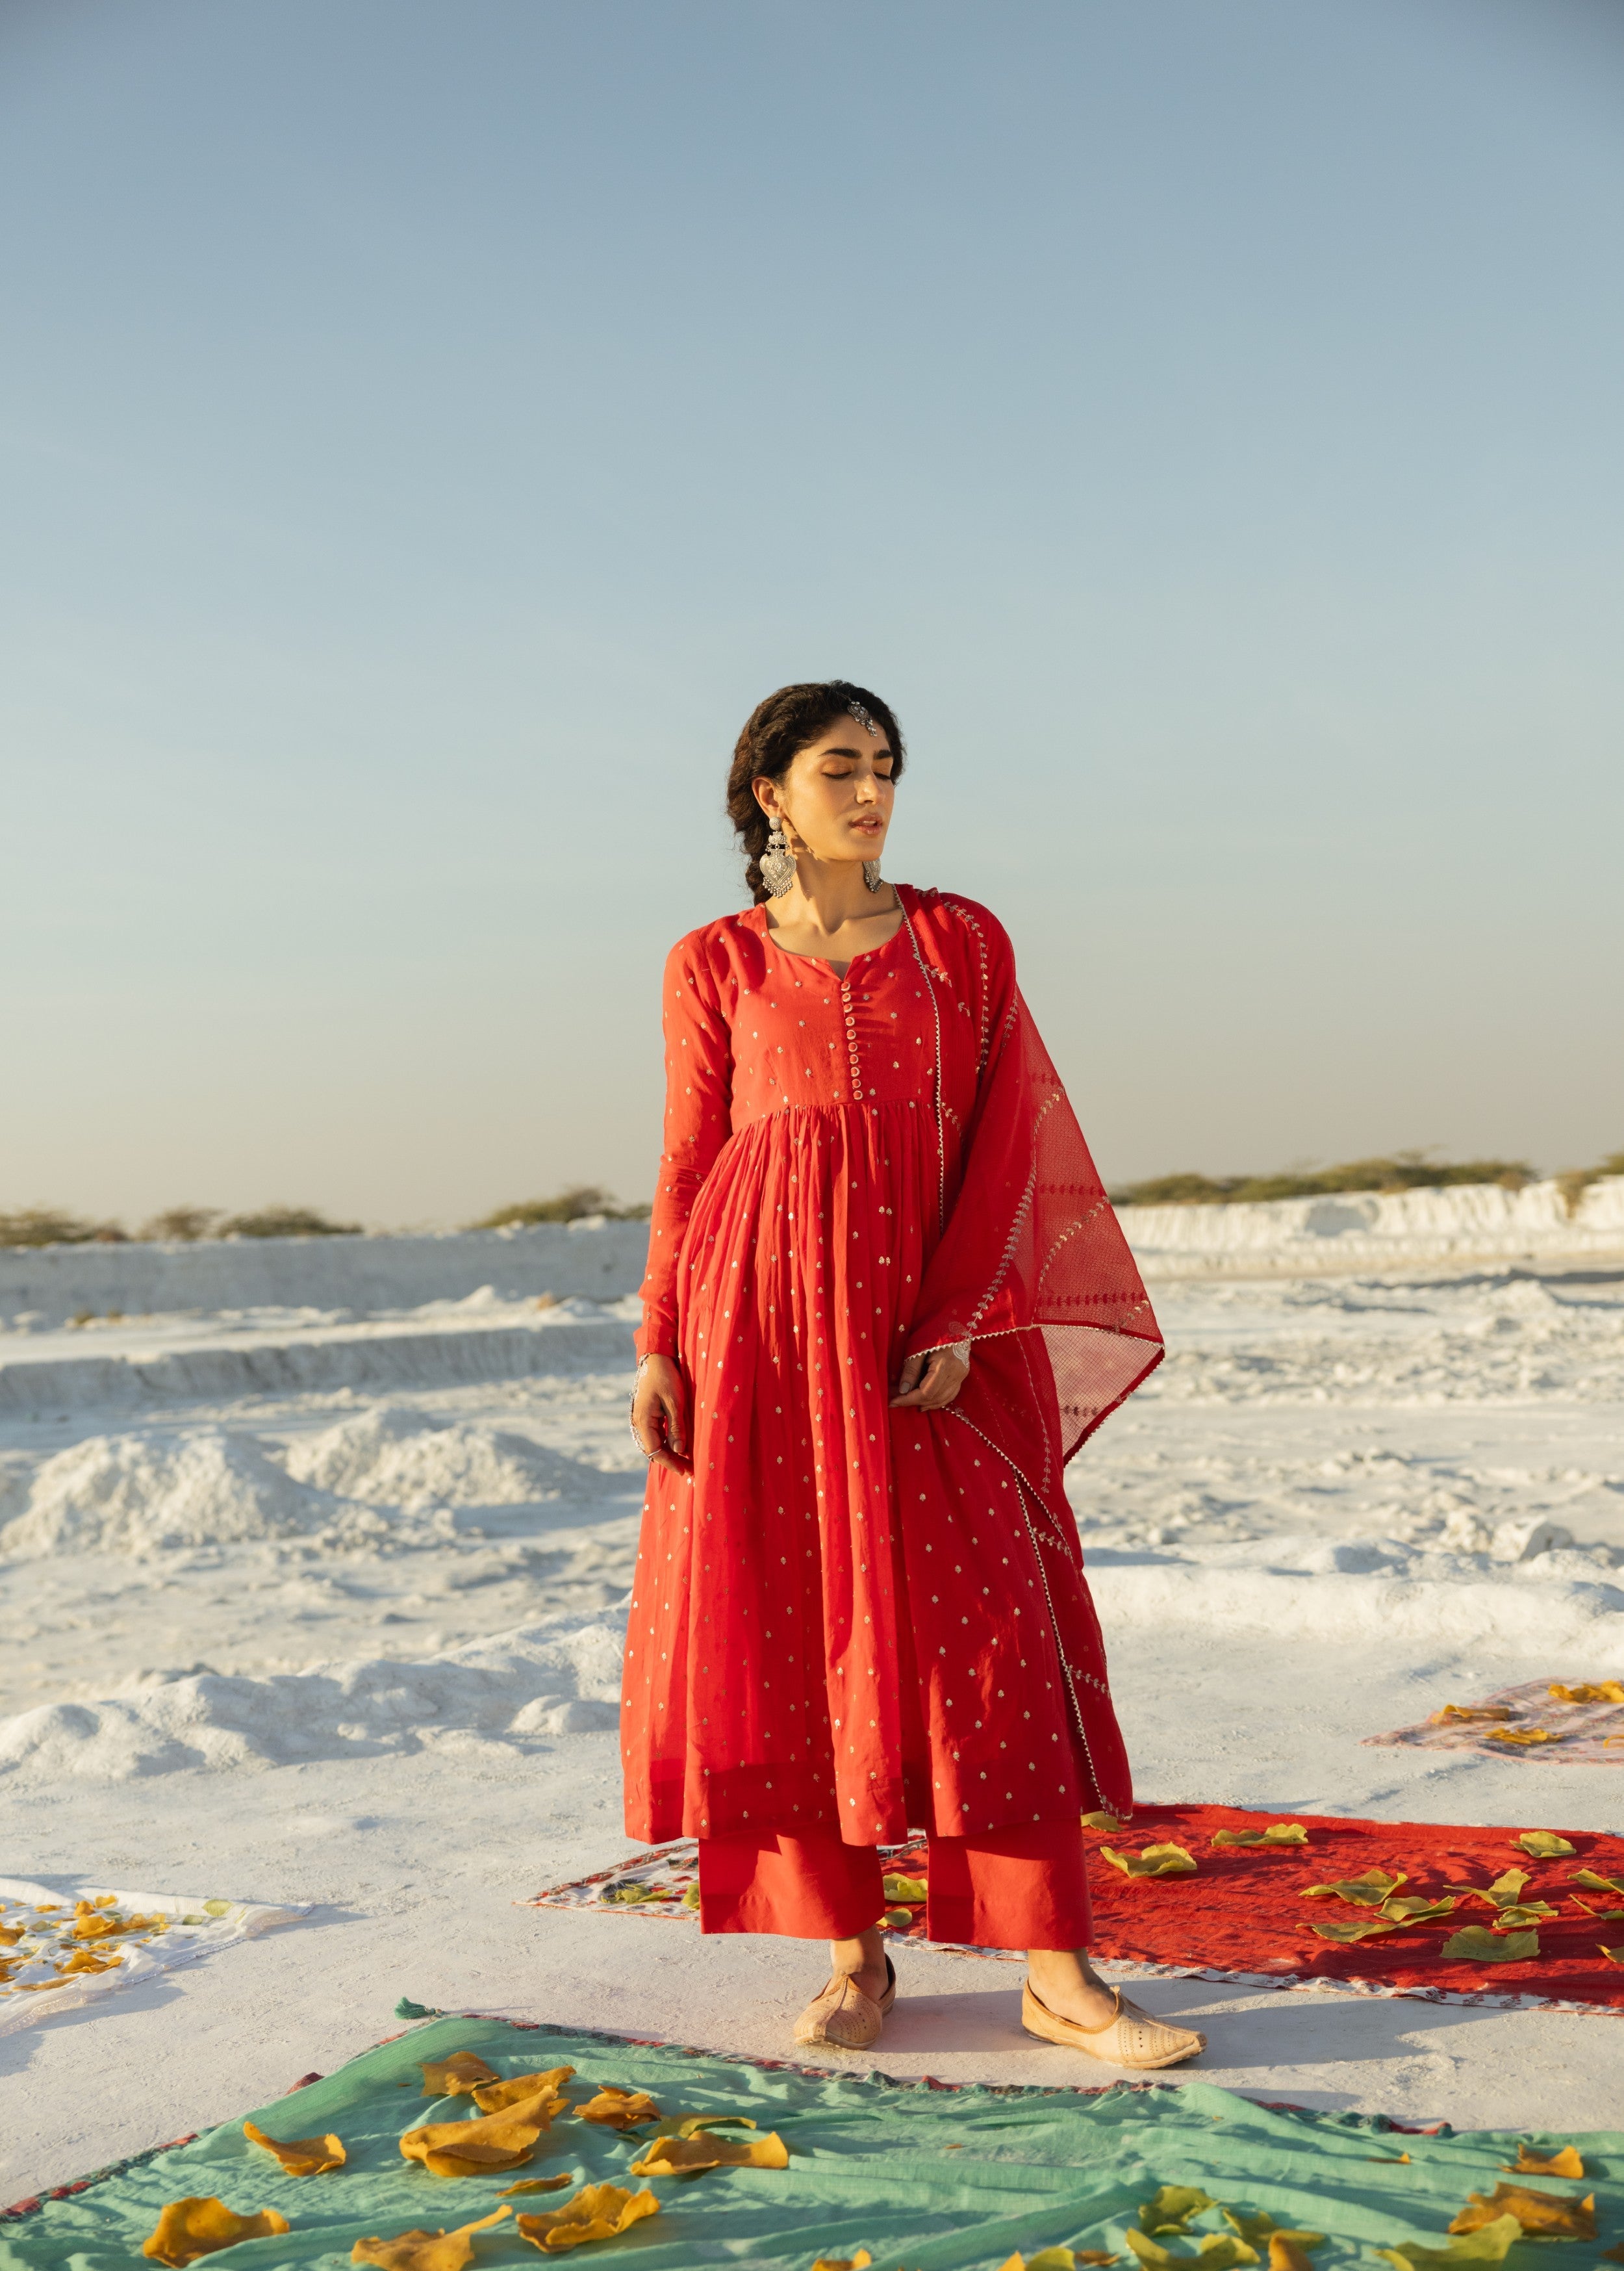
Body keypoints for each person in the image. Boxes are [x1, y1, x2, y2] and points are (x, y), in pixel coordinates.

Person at [623, 680, 1201, 2070]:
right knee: (798, 1626)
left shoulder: (957, 941)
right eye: (840, 767)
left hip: (927, 1334)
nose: (870, 789)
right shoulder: (711, 961)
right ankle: (850, 1955)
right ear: (771, 792)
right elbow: (690, 1160)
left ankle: (1055, 1972)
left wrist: (958, 1313)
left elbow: (1008, 1136)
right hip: (757, 1326)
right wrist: (658, 1335)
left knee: (983, 1633)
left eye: (885, 765)